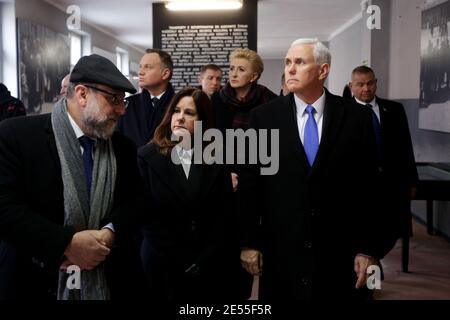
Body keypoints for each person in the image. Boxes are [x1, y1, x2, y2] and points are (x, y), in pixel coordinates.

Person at [237, 38, 396, 300]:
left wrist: (368, 249)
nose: (290, 69)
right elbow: (250, 184)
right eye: (288, 62)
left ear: (323, 70)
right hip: (283, 248)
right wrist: (249, 242)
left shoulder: (357, 118)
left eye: (299, 62)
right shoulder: (263, 117)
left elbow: (370, 187)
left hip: (340, 250)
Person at [0, 54, 145, 300]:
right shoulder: (16, 136)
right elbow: (5, 208)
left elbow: (137, 201)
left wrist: (109, 233)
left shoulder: (123, 147)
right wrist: (66, 244)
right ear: (82, 94)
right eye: (114, 99)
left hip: (111, 281)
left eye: (124, 101)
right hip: (34, 280)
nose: (122, 110)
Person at [137, 87, 240, 300]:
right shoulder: (147, 156)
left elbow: (225, 214)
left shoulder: (217, 157)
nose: (180, 118)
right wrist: (180, 256)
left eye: (189, 113)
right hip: (161, 264)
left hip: (207, 264)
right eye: (176, 111)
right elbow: (144, 215)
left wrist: (203, 257)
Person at [349, 65, 418, 272]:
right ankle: (371, 275)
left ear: (376, 83)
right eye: (360, 84)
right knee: (363, 236)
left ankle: (373, 262)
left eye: (370, 83)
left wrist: (412, 180)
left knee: (390, 232)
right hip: (359, 186)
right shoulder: (343, 111)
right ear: (351, 86)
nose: (366, 89)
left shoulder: (394, 109)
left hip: (391, 184)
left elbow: (406, 147)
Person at [117, 48, 175, 148]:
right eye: (140, 67)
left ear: (165, 73)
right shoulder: (127, 104)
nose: (140, 72)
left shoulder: (179, 105)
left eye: (148, 67)